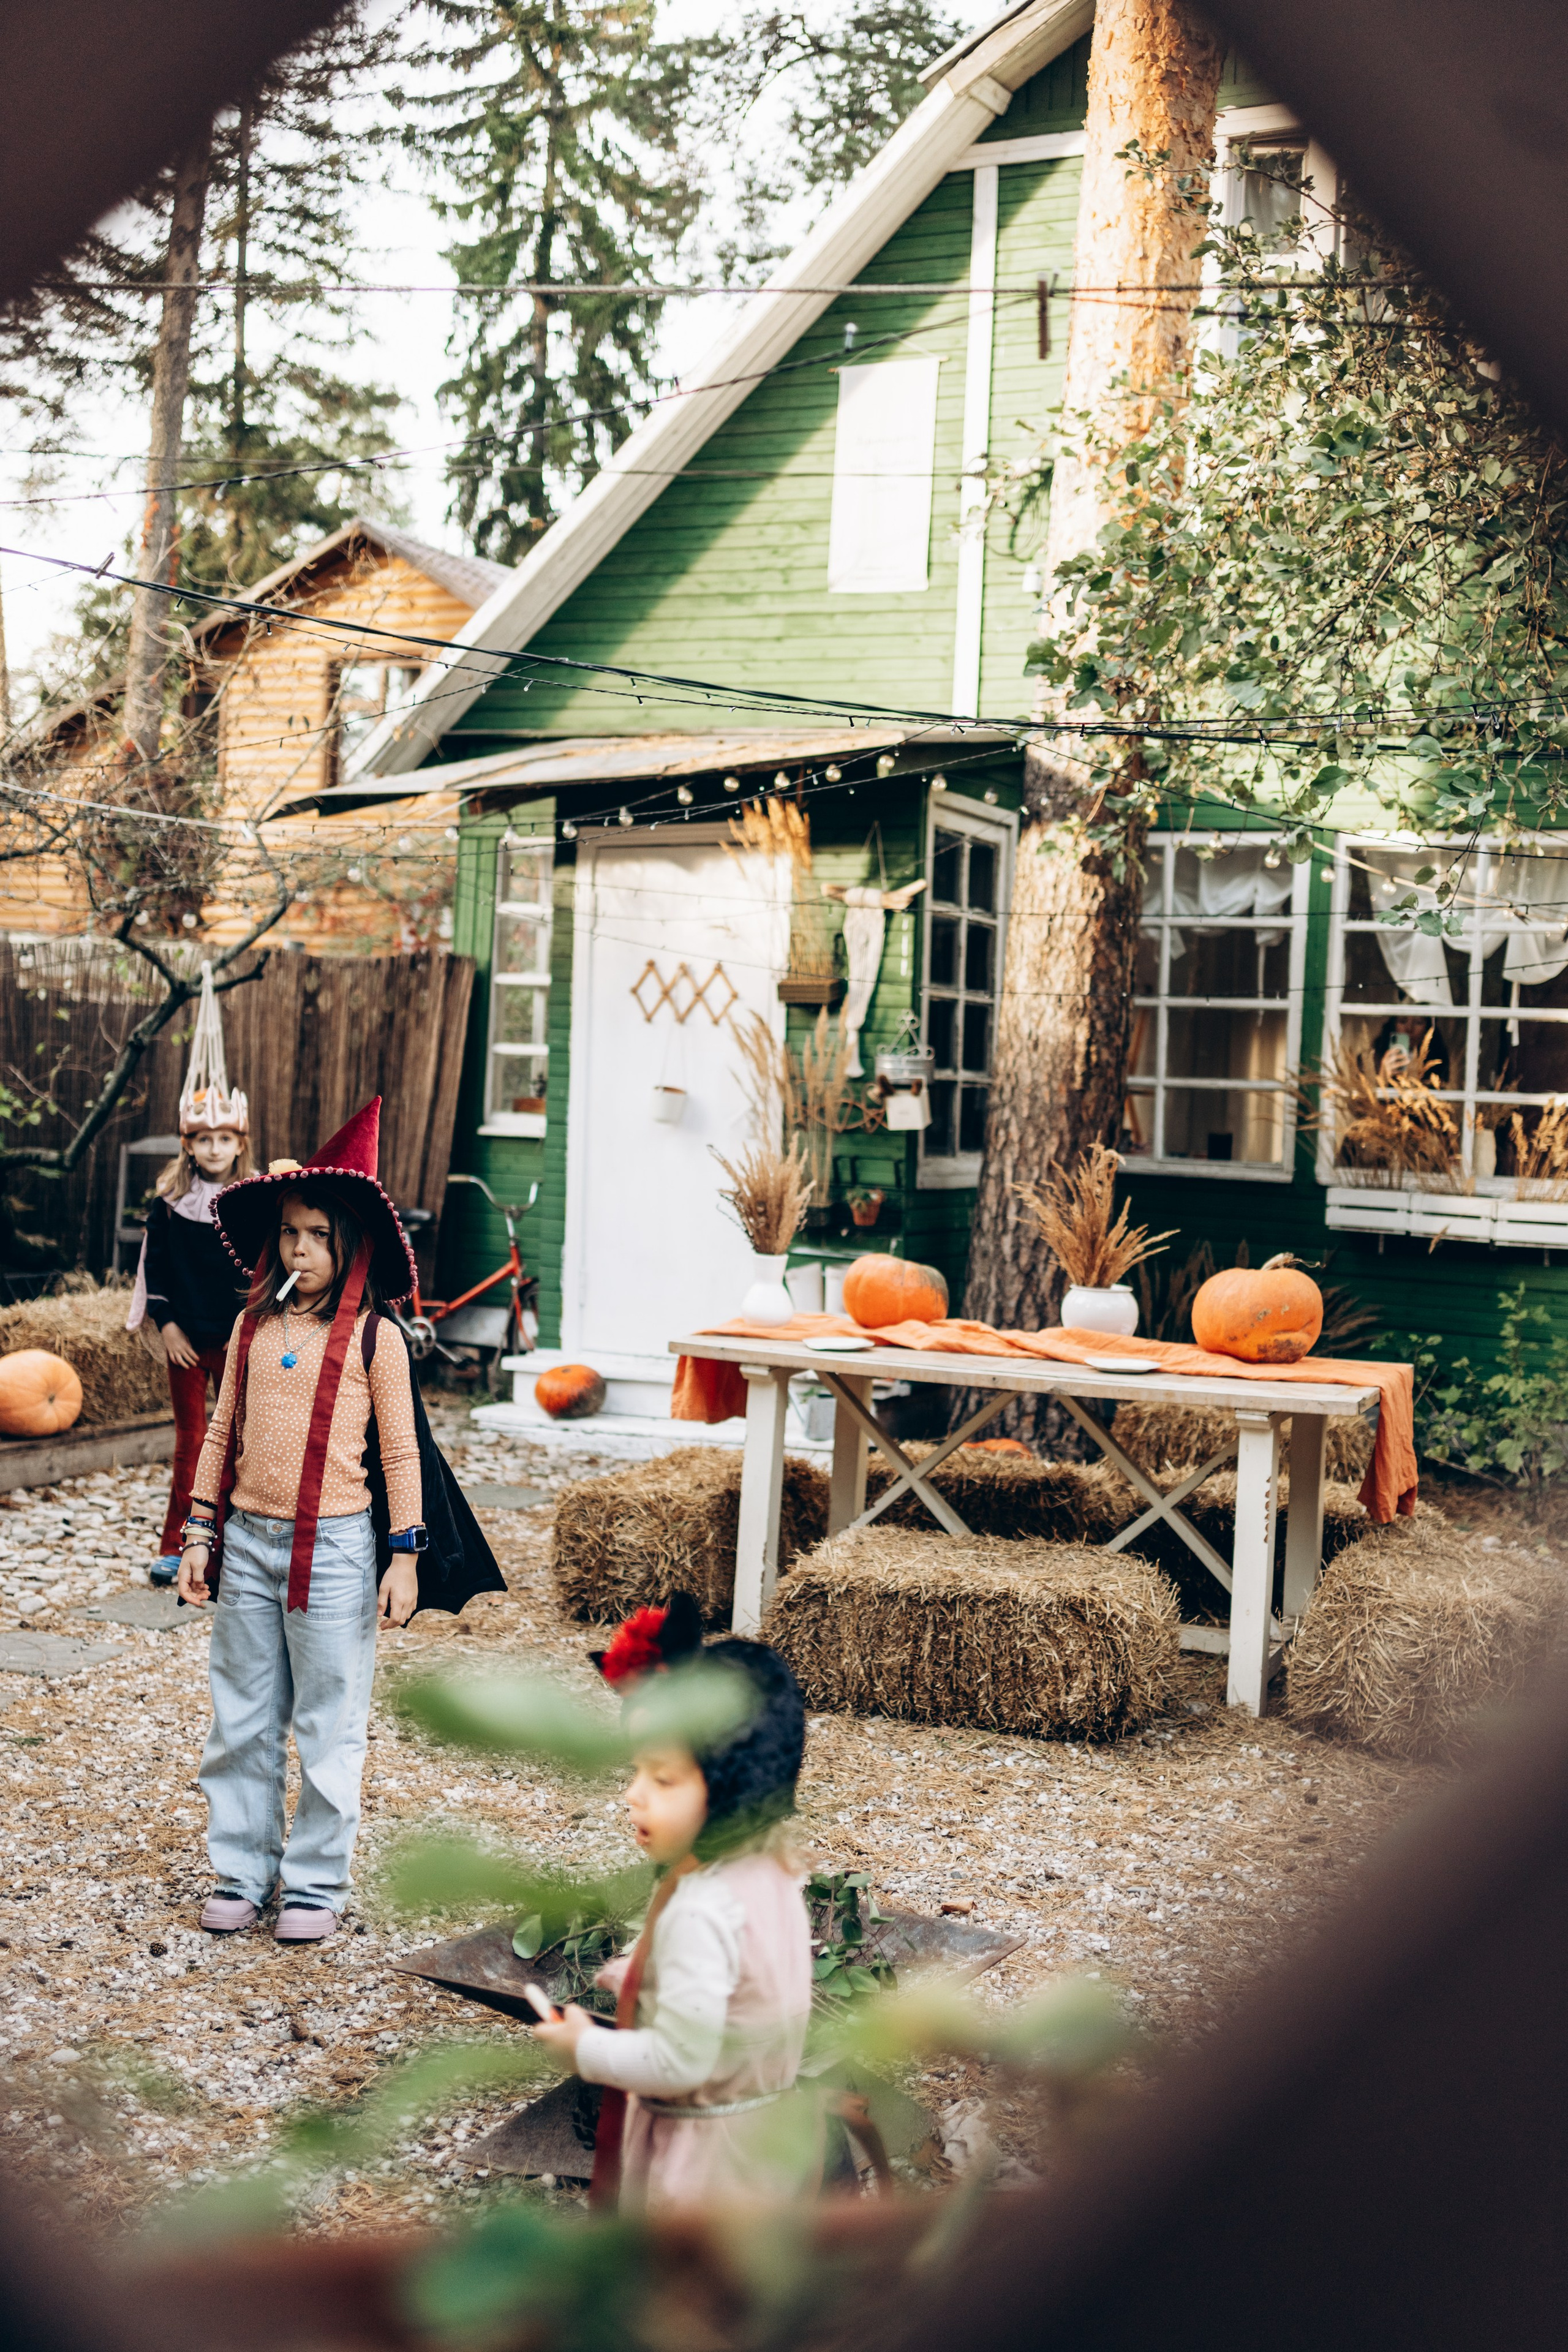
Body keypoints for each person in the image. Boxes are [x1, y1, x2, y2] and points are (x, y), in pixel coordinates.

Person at [176, 1096, 505, 1945]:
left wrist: (404, 1558)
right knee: (242, 1717)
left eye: (319, 1235)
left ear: (350, 1243)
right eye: (289, 1232)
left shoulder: (376, 1341)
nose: (300, 1250)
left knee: (328, 1723)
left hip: (335, 1555)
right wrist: (199, 1535)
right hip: (247, 1546)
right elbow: (222, 1432)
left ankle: (316, 1883)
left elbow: (401, 1459)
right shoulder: (253, 1328)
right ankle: (243, 1871)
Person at [530, 1594, 820, 2211]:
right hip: (763, 2143)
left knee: (679, 2292)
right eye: (635, 1770)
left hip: (699, 2164)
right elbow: (745, 1979)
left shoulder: (699, 1907)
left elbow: (680, 2062)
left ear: (729, 1786)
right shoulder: (772, 1873)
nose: (633, 1795)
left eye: (662, 1778)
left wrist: (583, 2047)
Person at [128, 964, 253, 1585]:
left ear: (239, 1143)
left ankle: (226, 1546)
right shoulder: (170, 1201)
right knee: (191, 1442)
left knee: (230, 1441)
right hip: (185, 1338)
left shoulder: (252, 1203)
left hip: (232, 1337)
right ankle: (177, 1545)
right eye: (202, 1140)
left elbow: (258, 1271)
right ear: (188, 1144)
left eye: (224, 1139)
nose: (212, 1149)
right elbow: (160, 1268)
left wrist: (245, 1329)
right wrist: (167, 1323)